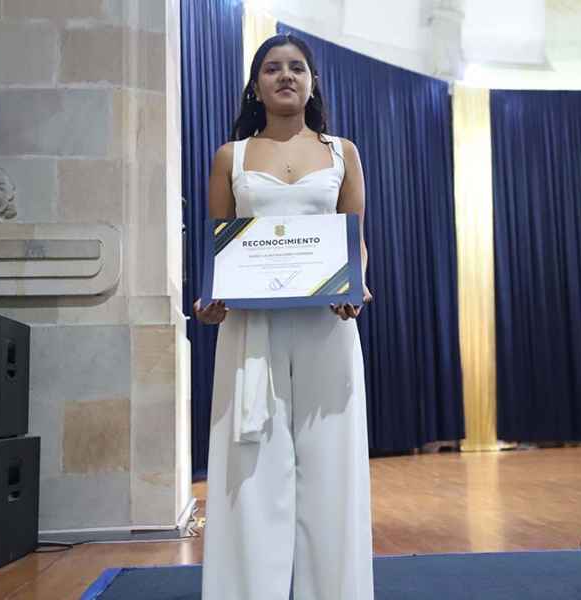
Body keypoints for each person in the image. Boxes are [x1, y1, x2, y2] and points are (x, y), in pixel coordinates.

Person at [195, 33, 375, 599]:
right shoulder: (231, 157)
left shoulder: (343, 152)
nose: (286, 76)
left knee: (332, 468)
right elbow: (220, 247)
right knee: (252, 471)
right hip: (253, 331)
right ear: (256, 85)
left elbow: (355, 241)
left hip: (327, 325)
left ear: (312, 82)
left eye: (297, 67)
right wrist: (211, 300)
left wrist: (356, 285)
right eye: (272, 68)